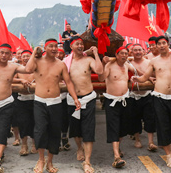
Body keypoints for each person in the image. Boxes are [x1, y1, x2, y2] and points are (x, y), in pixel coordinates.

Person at [26, 38, 81, 173]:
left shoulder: (61, 64)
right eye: (50, 46)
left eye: (56, 46)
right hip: (40, 101)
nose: (54, 49)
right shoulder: (37, 61)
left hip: (55, 102)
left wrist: (75, 98)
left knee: (54, 131)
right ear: (45, 48)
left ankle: (50, 162)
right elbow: (28, 69)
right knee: (40, 130)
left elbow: (68, 82)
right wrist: (34, 52)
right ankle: (41, 160)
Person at [131, 35, 171, 168]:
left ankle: (169, 146)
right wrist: (137, 79)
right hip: (159, 97)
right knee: (163, 125)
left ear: (168, 44)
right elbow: (145, 76)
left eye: (164, 43)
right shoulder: (154, 61)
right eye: (159, 44)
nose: (161, 46)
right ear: (156, 46)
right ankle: (169, 155)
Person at [0, 43, 32, 173]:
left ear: (10, 55)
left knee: (2, 131)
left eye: (6, 53)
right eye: (1, 52)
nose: (3, 55)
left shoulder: (13, 66)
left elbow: (28, 69)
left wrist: (35, 54)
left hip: (6, 103)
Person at [66, 36, 103, 172]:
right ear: (71, 46)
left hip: (88, 98)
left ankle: (87, 161)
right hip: (72, 99)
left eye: (82, 44)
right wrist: (75, 98)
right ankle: (79, 148)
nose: (80, 46)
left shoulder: (89, 60)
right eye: (77, 44)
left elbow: (99, 71)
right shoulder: (67, 62)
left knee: (88, 129)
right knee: (75, 129)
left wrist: (96, 54)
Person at [100, 46, 131, 170]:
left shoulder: (127, 65)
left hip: (124, 100)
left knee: (123, 127)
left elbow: (139, 71)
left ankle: (118, 147)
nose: (124, 55)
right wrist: (103, 64)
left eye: (126, 53)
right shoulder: (110, 65)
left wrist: (148, 77)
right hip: (112, 100)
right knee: (113, 126)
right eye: (121, 53)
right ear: (116, 55)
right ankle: (116, 156)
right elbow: (101, 78)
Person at [128, 43, 157, 151]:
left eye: (139, 50)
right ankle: (137, 140)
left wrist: (149, 78)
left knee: (150, 118)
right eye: (135, 50)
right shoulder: (128, 63)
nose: (138, 52)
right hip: (133, 95)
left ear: (144, 51)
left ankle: (151, 142)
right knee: (134, 118)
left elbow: (155, 75)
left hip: (147, 93)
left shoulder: (149, 62)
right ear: (131, 52)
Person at [14, 50, 37, 156]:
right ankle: (24, 145)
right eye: (24, 56)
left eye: (28, 56)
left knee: (35, 122)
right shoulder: (18, 69)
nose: (26, 58)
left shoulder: (36, 68)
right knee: (22, 123)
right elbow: (11, 79)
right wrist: (21, 81)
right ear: (20, 58)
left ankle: (34, 144)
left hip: (35, 99)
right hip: (22, 99)